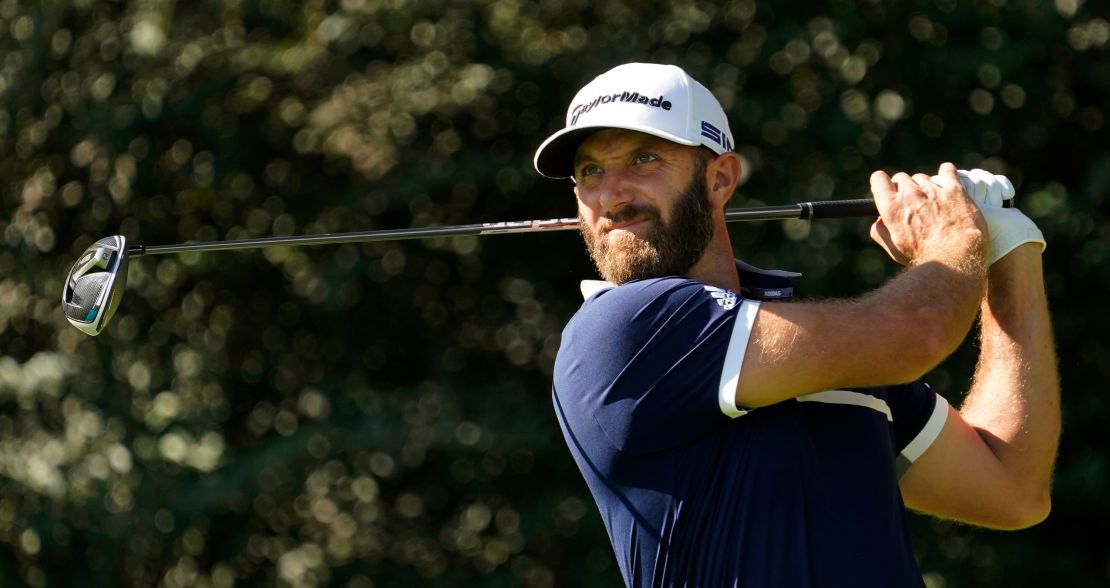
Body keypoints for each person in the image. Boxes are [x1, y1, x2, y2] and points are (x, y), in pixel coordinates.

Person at [532, 62, 1060, 587]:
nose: (611, 193)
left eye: (643, 159)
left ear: (719, 179)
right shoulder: (624, 328)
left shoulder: (825, 357)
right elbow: (919, 330)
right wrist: (955, 236)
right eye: (590, 171)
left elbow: (1012, 488)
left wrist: (1010, 252)